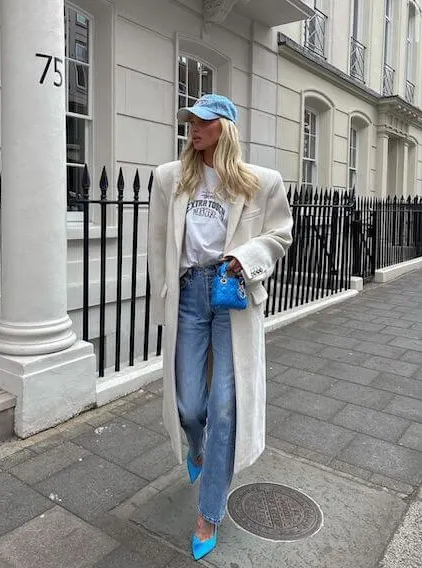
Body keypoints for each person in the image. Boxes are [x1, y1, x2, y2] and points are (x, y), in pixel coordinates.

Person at [147, 94, 293, 561]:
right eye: (190, 120)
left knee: (225, 408)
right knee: (189, 404)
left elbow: (279, 236)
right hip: (189, 295)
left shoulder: (261, 183)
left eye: (203, 122)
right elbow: (156, 246)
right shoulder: (169, 178)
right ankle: (198, 450)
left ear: (224, 129)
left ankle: (209, 511)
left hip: (230, 296)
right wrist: (161, 303)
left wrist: (243, 257)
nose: (193, 128)